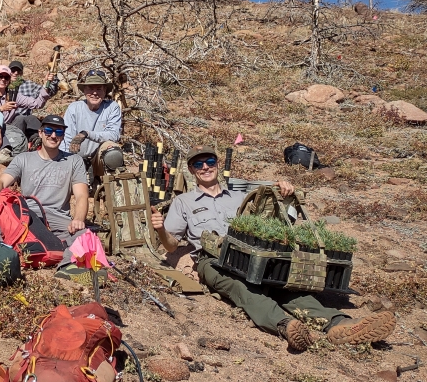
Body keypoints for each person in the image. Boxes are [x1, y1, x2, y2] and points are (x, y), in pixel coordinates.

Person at [151, 146, 396, 352]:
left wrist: (284, 189)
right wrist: (161, 229)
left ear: (217, 164)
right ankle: (285, 324)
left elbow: (271, 209)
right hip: (212, 260)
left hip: (251, 255)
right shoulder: (183, 202)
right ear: (192, 171)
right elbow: (172, 244)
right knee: (241, 288)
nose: (205, 167)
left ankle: (339, 324)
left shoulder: (240, 196)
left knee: (282, 286)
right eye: (198, 164)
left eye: (210, 161)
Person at [0, 114, 90, 263]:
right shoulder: (23, 158)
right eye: (49, 131)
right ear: (40, 133)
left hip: (57, 217)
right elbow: (1, 181)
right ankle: (1, 255)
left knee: (84, 236)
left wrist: (78, 219)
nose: (53, 136)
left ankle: (65, 265)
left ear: (63, 136)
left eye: (58, 132)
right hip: (27, 214)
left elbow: (82, 195)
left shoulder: (74, 161)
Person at [0, 64, 55, 164]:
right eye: (0, 76)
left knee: (21, 118)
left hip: (9, 130)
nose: (3, 79)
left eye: (6, 77)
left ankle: (39, 145)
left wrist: (46, 85)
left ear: (9, 79)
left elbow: (37, 104)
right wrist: (1, 109)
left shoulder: (14, 96)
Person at [63, 69, 123, 183]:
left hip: (98, 158)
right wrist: (65, 162)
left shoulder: (112, 107)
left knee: (113, 150)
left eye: (99, 89)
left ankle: (106, 183)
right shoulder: (74, 108)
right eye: (90, 88)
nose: (94, 93)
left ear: (105, 91)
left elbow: (114, 134)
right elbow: (66, 140)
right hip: (76, 156)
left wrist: (87, 134)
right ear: (84, 90)